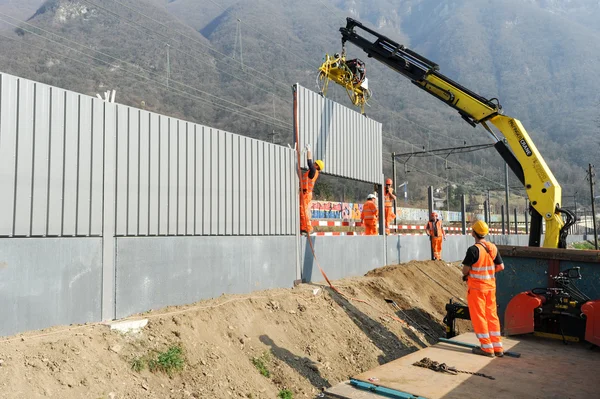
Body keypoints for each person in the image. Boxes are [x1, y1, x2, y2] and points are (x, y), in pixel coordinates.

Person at [462, 220, 505, 357]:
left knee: (479, 316)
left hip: (476, 289)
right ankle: (497, 347)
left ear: (473, 232)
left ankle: (486, 347)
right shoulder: (492, 247)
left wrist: (470, 275)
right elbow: (500, 267)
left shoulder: (473, 250)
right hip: (490, 288)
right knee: (492, 315)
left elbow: (465, 270)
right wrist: (488, 273)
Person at [299, 144, 324, 235]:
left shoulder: (313, 171)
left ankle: (308, 228)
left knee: (303, 210)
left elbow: (309, 162)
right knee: (301, 210)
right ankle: (303, 228)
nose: (313, 164)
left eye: (315, 163)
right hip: (304, 193)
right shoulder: (311, 172)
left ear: (317, 166)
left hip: (306, 193)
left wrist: (309, 151)